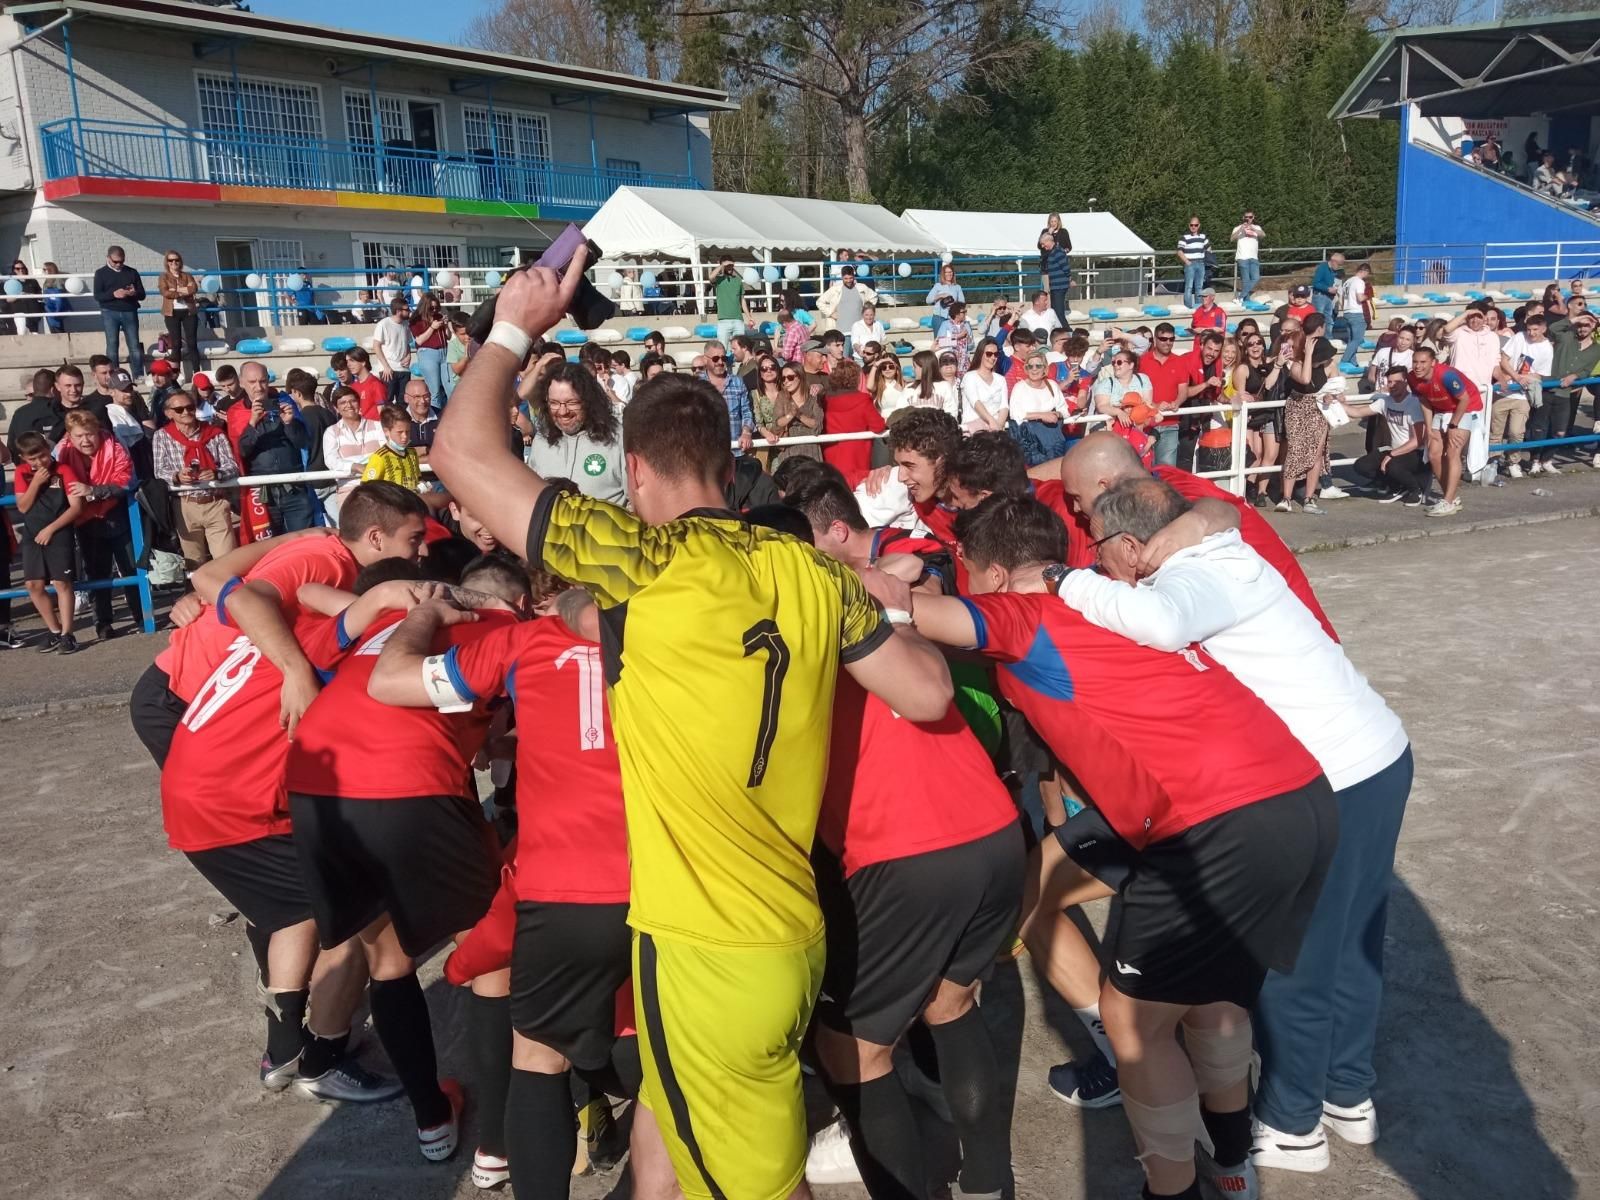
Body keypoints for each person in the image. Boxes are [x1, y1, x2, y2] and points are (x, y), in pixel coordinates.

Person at [426, 248, 954, 1200]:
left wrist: (512, 326)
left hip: (704, 952)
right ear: (731, 461)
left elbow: (461, 456)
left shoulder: (636, 557)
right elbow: (926, 693)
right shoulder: (813, 571)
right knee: (689, 1141)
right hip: (792, 929)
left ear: (632, 468)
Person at [869, 491, 1336, 1200]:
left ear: (991, 574)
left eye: (964, 563)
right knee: (1060, 903)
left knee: (1137, 1023)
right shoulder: (1102, 590)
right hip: (1292, 790)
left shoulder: (1021, 615)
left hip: (1211, 819)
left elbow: (902, 614)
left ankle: (1172, 1187)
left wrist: (871, 571)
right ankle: (1231, 1153)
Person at [1054, 477, 1408, 1182]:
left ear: (1132, 544)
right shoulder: (1223, 543)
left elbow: (1161, 625)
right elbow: (1214, 518)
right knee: (1354, 943)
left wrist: (1065, 583)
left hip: (1333, 773)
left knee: (1292, 955)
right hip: (1377, 754)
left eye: (1098, 550)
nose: (1098, 566)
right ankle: (1348, 1092)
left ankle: (1293, 1122)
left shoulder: (1192, 574)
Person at [781, 480, 1026, 1200]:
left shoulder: (782, 625)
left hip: (906, 850)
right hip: (991, 830)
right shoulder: (864, 598)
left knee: (850, 1050)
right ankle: (987, 1185)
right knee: (951, 1005)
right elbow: (912, 561)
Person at [158, 487, 428, 1110]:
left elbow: (298, 593)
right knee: (365, 920)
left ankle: (281, 1052)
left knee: (294, 911)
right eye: (415, 546)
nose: (419, 563)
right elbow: (355, 623)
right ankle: (323, 1058)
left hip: (199, 785)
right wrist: (387, 599)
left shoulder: (294, 615)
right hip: (232, 801)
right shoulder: (323, 646)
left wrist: (355, 581)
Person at [368, 563, 634, 1197]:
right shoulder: (669, 636)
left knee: (538, 1055)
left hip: (562, 884)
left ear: (542, 599)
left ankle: (533, 1141)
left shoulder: (522, 643)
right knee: (661, 1051)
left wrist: (427, 615)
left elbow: (389, 681)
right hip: (670, 875)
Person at [281, 556, 531, 1164]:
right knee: (492, 952)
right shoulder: (507, 632)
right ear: (512, 603)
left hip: (318, 785)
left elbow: (303, 593)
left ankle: (431, 1121)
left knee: (386, 958)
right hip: (410, 781)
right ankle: (496, 1145)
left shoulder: (382, 624)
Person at [57, 409, 143, 641]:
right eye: (79, 436)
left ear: (98, 432)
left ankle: (141, 616)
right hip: (84, 519)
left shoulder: (115, 447)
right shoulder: (61, 453)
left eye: (90, 434)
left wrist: (94, 491)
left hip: (117, 513)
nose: (86, 440)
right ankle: (103, 623)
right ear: (70, 437)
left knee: (131, 569)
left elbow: (126, 481)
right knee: (97, 573)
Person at [152, 384, 240, 568]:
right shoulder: (161, 436)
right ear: (169, 413)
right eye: (179, 409)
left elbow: (232, 465)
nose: (186, 412)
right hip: (185, 505)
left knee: (227, 563)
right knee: (195, 563)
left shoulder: (214, 433)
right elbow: (160, 471)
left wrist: (217, 473)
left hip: (215, 502)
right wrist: (177, 476)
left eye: (190, 407)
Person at [13, 430, 84, 654]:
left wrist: (51, 528)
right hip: (32, 533)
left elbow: (76, 507)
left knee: (62, 583)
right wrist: (35, 482)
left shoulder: (63, 470)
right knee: (33, 585)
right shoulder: (22, 473)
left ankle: (68, 634)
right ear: (24, 458)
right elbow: (22, 507)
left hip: (59, 531)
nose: (39, 462)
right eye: (32, 458)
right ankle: (54, 630)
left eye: (42, 455)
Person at [524, 362, 628, 504]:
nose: (563, 412)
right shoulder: (542, 439)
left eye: (572, 402)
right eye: (554, 403)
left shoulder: (617, 437)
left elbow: (636, 503)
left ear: (588, 401)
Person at [237, 362, 315, 533]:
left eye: (263, 381)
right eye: (252, 382)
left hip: (294, 489)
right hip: (261, 493)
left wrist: (289, 423)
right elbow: (240, 452)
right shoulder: (236, 412)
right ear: (242, 382)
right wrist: (252, 423)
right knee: (269, 549)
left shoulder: (285, 403)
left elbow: (304, 442)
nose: (259, 387)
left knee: (302, 542)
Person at [1408, 345, 1483, 517]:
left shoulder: (1446, 375)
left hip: (1466, 407)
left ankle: (1448, 501)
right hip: (1442, 410)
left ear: (1433, 362)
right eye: (1415, 362)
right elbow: (1424, 400)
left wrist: (1453, 426)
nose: (1418, 366)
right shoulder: (1412, 377)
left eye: (1423, 362)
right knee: (1434, 454)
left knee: (1452, 452)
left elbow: (1464, 399)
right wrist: (1429, 428)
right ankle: (1450, 498)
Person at [1276, 315, 1336, 514]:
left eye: (1293, 347)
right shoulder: (1294, 365)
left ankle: (1309, 498)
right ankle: (1287, 497)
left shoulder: (1323, 363)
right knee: (1295, 450)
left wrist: (1331, 394)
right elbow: (1305, 378)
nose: (1289, 350)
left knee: (1316, 454)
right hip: (1298, 408)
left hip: (1318, 408)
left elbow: (1337, 382)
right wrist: (1307, 355)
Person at [1492, 312, 1553, 478]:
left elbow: (1540, 375)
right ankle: (1492, 461)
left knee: (1516, 432)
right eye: (1529, 329)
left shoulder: (1547, 348)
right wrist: (1516, 376)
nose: (1531, 333)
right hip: (1503, 391)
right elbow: (1504, 360)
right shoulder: (1519, 337)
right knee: (1495, 431)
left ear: (1543, 329)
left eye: (1535, 330)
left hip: (1522, 395)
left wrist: (1526, 377)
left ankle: (1513, 462)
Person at [1540, 306, 1600, 472]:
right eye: (1580, 325)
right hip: (1548, 387)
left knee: (1559, 431)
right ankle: (1535, 461)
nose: (1582, 328)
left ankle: (1546, 460)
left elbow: (1587, 370)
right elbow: (1553, 329)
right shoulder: (1567, 337)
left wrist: (1575, 376)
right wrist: (1575, 319)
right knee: (1540, 428)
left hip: (1566, 392)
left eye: (1587, 325)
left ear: (1593, 326)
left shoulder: (1596, 348)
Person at [1233, 332, 1285, 506]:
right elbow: (1241, 394)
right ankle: (1246, 488)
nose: (1255, 347)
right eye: (1250, 344)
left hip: (1264, 415)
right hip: (1248, 416)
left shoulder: (1268, 364)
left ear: (1263, 345)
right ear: (1245, 349)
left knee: (1262, 454)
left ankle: (1252, 487)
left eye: (1259, 343)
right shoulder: (1243, 368)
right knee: (1253, 455)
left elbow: (1279, 363)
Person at [820, 360, 887, 488]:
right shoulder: (862, 399)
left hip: (831, 453)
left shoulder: (825, 400)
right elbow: (878, 426)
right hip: (857, 455)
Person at [322, 385, 384, 517]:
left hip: (378, 486)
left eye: (353, 401)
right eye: (343, 402)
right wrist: (355, 467)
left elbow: (386, 453)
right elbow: (331, 461)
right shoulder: (331, 432)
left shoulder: (378, 426)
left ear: (359, 403)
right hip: (348, 490)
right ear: (335, 408)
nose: (349, 405)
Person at [1138, 323, 1189, 466]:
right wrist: (1155, 406)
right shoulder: (1142, 361)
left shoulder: (1180, 362)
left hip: (1170, 423)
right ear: (1155, 339)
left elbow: (1183, 391)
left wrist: (1176, 403)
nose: (1168, 342)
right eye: (1163, 339)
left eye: (1171, 339)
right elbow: (1135, 391)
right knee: (1144, 469)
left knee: (1167, 470)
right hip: (1145, 423)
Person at [1010, 347, 1070, 465]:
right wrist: (1042, 416)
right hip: (1031, 444)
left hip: (1053, 440)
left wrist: (1056, 414)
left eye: (1038, 366)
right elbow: (1015, 414)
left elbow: (1064, 410)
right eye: (1030, 366)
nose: (1034, 369)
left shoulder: (1052, 385)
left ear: (1045, 368)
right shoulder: (1019, 387)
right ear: (1026, 369)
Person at [94, 244, 146, 377]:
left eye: (121, 261)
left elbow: (142, 295)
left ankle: (138, 375)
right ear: (108, 258)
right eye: (115, 261)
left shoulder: (132, 272)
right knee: (112, 345)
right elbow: (98, 296)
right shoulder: (101, 273)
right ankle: (114, 376)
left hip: (130, 310)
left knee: (134, 345)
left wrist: (133, 293)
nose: (118, 264)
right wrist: (114, 294)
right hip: (110, 312)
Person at [772, 358, 824, 469]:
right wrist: (791, 414)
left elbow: (817, 425)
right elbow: (777, 424)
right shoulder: (782, 396)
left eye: (790, 378)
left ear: (799, 377)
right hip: (790, 449)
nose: (786, 381)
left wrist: (799, 415)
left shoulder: (812, 396)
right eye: (783, 378)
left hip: (810, 448)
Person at [157, 249, 201, 380]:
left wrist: (176, 291)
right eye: (171, 260)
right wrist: (182, 291)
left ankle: (196, 373)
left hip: (188, 311)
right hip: (172, 313)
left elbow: (194, 288)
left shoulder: (187, 275)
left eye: (176, 260)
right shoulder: (163, 277)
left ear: (180, 261)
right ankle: (176, 374)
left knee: (192, 343)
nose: (174, 262)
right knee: (176, 344)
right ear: (167, 262)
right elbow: (165, 292)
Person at [361, 405, 422, 491]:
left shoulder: (412, 453)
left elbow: (417, 478)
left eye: (407, 431)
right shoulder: (380, 457)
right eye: (399, 432)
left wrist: (422, 485)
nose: (404, 436)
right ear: (386, 431)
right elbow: (365, 488)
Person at [819, 265, 877, 353]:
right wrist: (830, 313)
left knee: (860, 359)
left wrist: (867, 309)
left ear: (854, 277)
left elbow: (874, 297)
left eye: (851, 278)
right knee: (844, 361)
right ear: (842, 277)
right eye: (846, 278)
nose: (849, 280)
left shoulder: (861, 287)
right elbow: (819, 302)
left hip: (859, 332)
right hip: (842, 333)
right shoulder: (835, 289)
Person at [409, 292, 450, 411]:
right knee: (434, 390)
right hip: (428, 353)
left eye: (437, 307)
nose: (434, 310)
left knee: (450, 387)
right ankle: (435, 416)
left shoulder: (438, 316)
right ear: (425, 306)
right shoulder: (416, 320)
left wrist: (446, 326)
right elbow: (419, 340)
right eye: (432, 308)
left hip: (444, 350)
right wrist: (432, 328)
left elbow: (448, 336)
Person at [960, 337, 1008, 434]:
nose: (993, 357)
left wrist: (998, 426)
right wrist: (991, 421)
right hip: (974, 430)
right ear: (980, 354)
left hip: (996, 429)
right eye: (989, 354)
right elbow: (975, 402)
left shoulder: (1001, 379)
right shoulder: (969, 377)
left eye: (996, 354)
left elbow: (1004, 406)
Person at [372, 296, 414, 405]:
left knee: (403, 402)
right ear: (399, 311)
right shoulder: (384, 324)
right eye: (407, 309)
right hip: (389, 369)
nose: (409, 311)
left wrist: (409, 356)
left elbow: (407, 344)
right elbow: (376, 346)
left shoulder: (406, 325)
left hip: (403, 369)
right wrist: (386, 366)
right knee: (388, 400)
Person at [1337, 263, 1373, 369]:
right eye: (1368, 273)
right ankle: (1344, 360)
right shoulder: (1359, 282)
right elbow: (1360, 298)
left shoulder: (1347, 282)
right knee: (1357, 339)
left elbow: (1342, 299)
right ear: (1365, 271)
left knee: (1351, 340)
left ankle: (1353, 363)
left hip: (1347, 312)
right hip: (1356, 313)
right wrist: (1368, 296)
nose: (1367, 276)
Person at [1039, 233, 1073, 329]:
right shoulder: (1052, 252)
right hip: (1055, 286)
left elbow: (1066, 267)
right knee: (1055, 311)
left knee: (1059, 313)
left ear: (1048, 241)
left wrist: (1069, 278)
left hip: (1059, 286)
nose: (1042, 246)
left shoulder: (1058, 252)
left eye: (1043, 244)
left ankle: (1068, 332)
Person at [711, 256, 747, 347]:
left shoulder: (738, 280)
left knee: (740, 347)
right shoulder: (718, 280)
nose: (730, 267)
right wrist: (722, 265)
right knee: (722, 348)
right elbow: (711, 277)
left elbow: (742, 300)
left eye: (731, 265)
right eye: (728, 265)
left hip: (738, 320)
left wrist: (749, 316)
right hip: (723, 320)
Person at [1230, 212, 1264, 302]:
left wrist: (1252, 228)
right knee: (1246, 281)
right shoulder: (1237, 228)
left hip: (1253, 257)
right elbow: (1232, 239)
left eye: (1250, 217)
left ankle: (1240, 297)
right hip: (1242, 257)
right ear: (1243, 218)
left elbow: (1263, 235)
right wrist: (1241, 229)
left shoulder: (1257, 227)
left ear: (1253, 218)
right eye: (1246, 217)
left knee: (1256, 278)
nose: (1248, 219)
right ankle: (1246, 301)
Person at [346, 347, 388, 419]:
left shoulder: (375, 384)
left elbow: (382, 412)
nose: (348, 365)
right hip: (359, 427)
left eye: (352, 360)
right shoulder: (353, 386)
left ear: (363, 362)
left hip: (374, 427)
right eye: (347, 361)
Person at [1177, 217, 1210, 309]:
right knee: (1189, 287)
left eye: (1195, 225)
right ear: (1189, 225)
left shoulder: (1203, 237)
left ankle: (1198, 307)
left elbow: (1209, 249)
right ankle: (1188, 307)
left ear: (1199, 225)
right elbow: (1179, 251)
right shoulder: (1184, 238)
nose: (1193, 227)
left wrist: (1209, 259)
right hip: (1190, 264)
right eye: (1191, 225)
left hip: (1201, 263)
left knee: (1199, 287)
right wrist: (1187, 262)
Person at [926, 263, 965, 335]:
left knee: (952, 341)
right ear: (943, 274)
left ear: (953, 273)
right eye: (946, 272)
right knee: (939, 341)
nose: (948, 274)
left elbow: (962, 303)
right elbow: (928, 300)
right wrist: (940, 295)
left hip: (952, 318)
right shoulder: (938, 286)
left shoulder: (957, 287)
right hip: (939, 318)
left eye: (950, 272)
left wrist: (954, 304)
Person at [1310, 251, 1345, 324]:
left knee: (1329, 320)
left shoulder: (1334, 270)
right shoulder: (1322, 267)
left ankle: (1328, 335)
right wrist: (1327, 289)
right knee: (1319, 318)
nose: (1339, 267)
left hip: (1329, 297)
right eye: (1339, 264)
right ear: (1333, 261)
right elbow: (1315, 283)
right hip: (1320, 296)